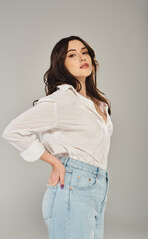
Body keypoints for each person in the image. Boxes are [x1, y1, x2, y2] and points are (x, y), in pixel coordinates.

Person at [2, 35, 113, 239]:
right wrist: (55, 162)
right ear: (61, 64)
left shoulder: (99, 104)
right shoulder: (62, 99)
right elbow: (13, 131)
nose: (81, 57)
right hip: (73, 186)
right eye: (72, 55)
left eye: (84, 52)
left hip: (98, 188)